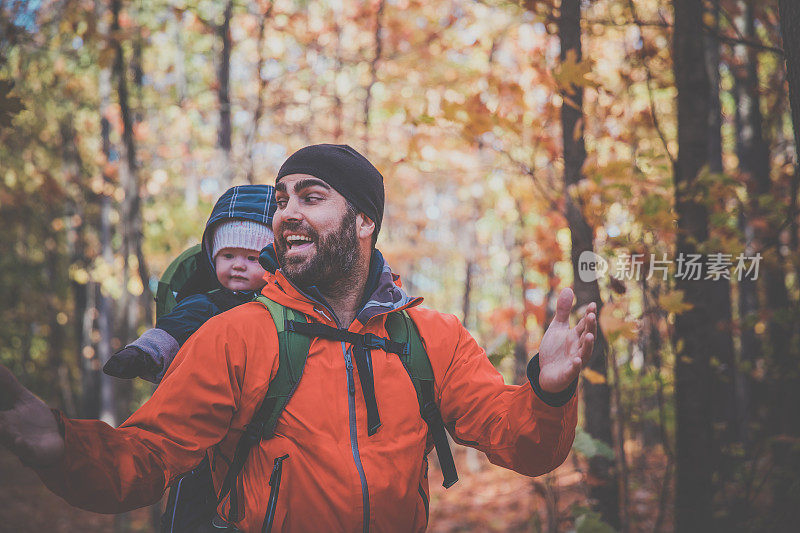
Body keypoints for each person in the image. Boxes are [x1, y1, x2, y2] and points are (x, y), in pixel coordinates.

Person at [0, 144, 597, 533]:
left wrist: (546, 393)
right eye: (281, 200)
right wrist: (61, 444)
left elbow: (526, 447)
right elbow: (148, 455)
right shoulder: (236, 334)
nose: (285, 213)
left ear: (364, 222)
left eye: (311, 198)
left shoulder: (431, 337)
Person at [102, 183, 277, 383]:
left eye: (252, 258)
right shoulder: (205, 304)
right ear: (212, 259)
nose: (238, 265)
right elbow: (172, 330)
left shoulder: (283, 304)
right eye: (228, 255)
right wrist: (143, 354)